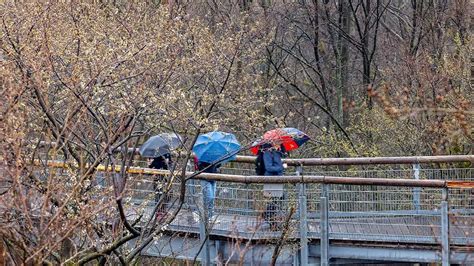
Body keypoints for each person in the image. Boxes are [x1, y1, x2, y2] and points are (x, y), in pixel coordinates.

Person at [261, 144, 285, 230]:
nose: (279, 144)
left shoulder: (278, 152)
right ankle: (269, 219)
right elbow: (269, 167)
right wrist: (281, 167)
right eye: (277, 142)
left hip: (278, 179)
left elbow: (277, 163)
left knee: (278, 199)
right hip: (271, 179)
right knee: (274, 200)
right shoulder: (267, 153)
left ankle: (272, 221)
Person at [148, 153, 172, 219]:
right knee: (158, 194)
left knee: (168, 193)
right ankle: (159, 212)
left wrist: (167, 162)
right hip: (157, 177)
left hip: (166, 177)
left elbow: (169, 164)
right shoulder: (154, 153)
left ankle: (163, 210)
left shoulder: (166, 152)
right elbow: (151, 166)